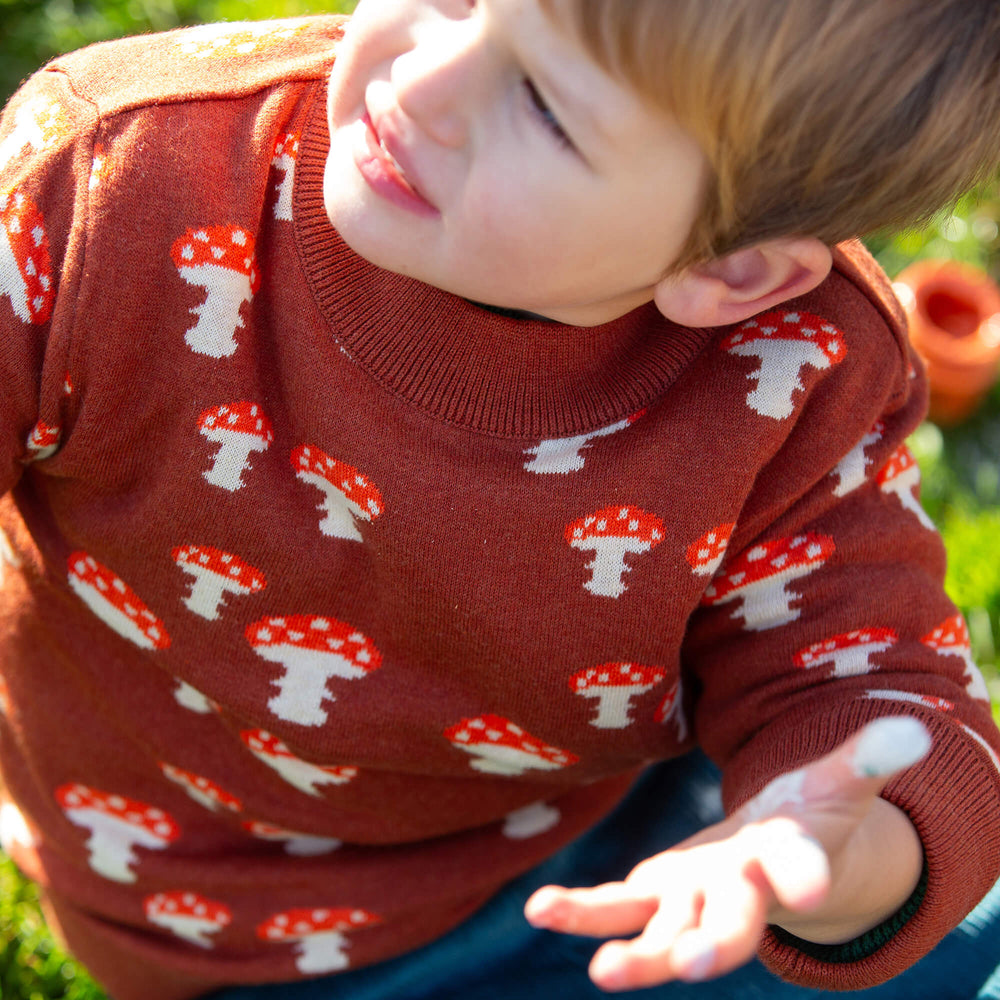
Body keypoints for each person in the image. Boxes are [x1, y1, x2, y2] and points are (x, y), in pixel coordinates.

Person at [0, 1, 999, 998]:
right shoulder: (108, 182)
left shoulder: (792, 375)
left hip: (631, 856)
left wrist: (816, 854)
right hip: (233, 925)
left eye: (548, 109)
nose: (423, 85)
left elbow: (884, 700)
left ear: (730, 268)